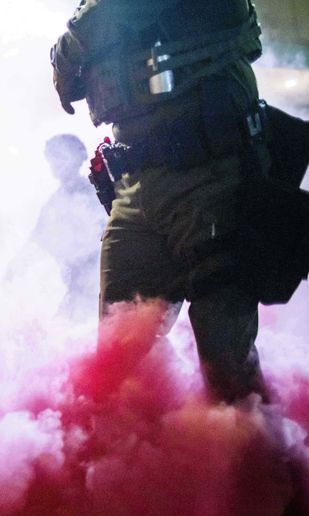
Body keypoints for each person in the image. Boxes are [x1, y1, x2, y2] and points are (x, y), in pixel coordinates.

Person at [50, 0, 283, 403]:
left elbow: (112, 17)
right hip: (135, 187)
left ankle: (259, 442)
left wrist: (72, 47)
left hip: (209, 176)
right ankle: (157, 440)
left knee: (225, 358)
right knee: (118, 353)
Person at [30, 134, 106, 320]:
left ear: (76, 158)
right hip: (77, 285)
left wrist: (82, 259)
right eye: (52, 158)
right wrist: (16, 267)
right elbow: (36, 241)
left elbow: (106, 231)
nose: (55, 164)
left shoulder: (95, 191)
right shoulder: (54, 203)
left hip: (99, 279)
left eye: (60, 157)